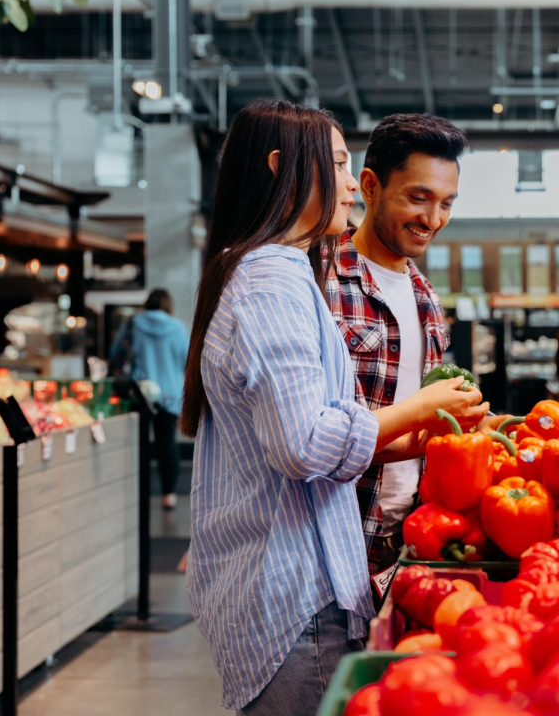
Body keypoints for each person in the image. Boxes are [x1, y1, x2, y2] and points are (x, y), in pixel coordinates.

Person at [181, 99, 484, 714]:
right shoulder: (278, 278)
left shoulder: (274, 270)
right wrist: (421, 409)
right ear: (282, 168)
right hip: (295, 584)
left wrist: (420, 439)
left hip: (312, 574)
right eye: (340, 163)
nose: (348, 181)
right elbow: (306, 444)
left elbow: (308, 424)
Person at [324, 113, 489, 581]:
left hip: (412, 538)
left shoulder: (427, 299)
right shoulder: (319, 280)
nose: (432, 220)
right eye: (418, 198)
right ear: (370, 186)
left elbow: (417, 431)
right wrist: (423, 413)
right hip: (337, 539)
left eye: (446, 204)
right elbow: (309, 437)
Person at [110, 289, 189, 511]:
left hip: (140, 392)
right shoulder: (179, 328)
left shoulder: (133, 323)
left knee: (139, 444)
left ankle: (139, 492)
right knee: (167, 443)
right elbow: (187, 362)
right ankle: (169, 495)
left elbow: (115, 352)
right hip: (170, 394)